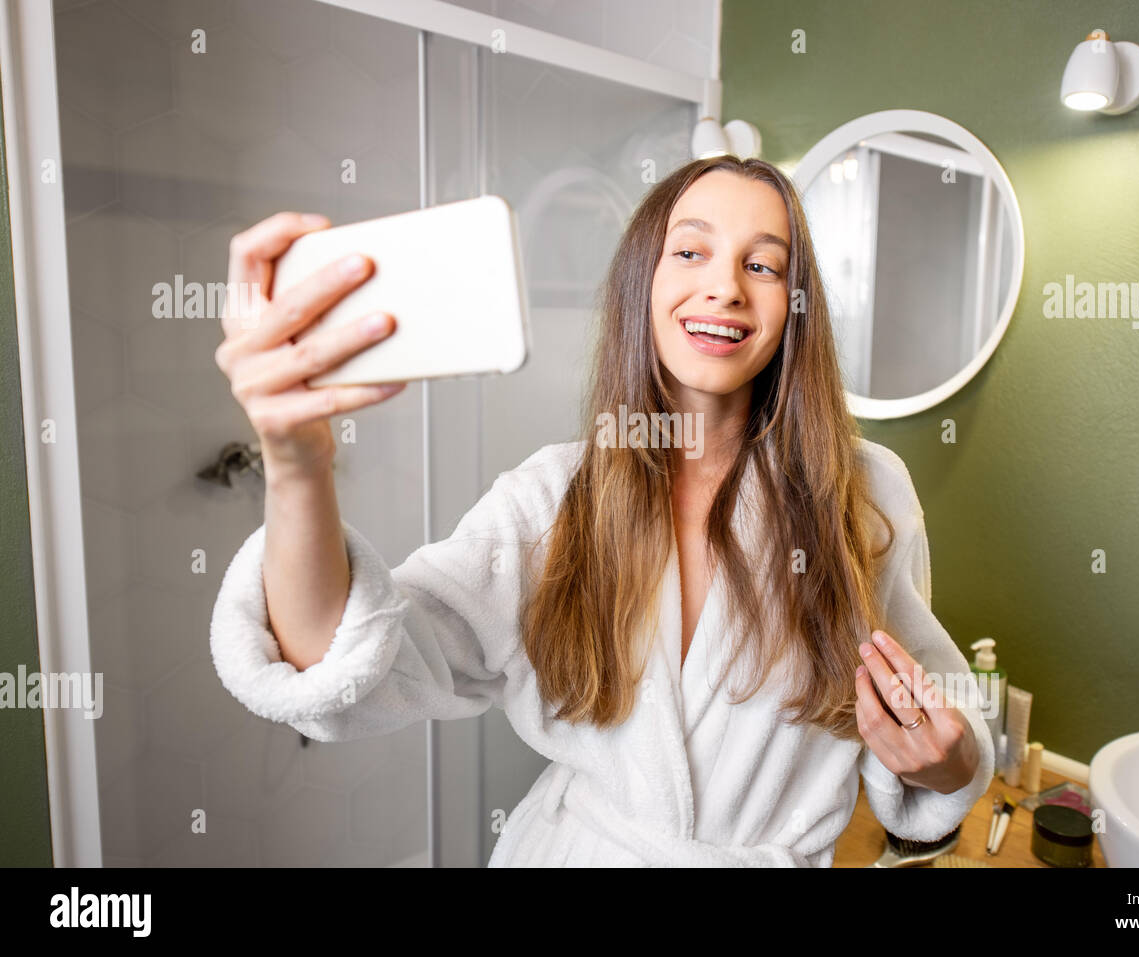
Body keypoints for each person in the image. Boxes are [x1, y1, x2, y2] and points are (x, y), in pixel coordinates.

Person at [209, 155, 995, 867]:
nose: (725, 284)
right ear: (639, 285)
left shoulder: (861, 495)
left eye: (762, 263)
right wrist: (296, 461)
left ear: (794, 306)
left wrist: (946, 765)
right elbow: (340, 663)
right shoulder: (553, 501)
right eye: (690, 251)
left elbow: (936, 725)